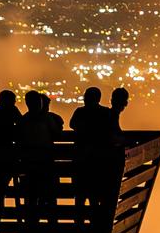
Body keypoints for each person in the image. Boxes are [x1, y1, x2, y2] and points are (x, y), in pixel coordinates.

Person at [67, 87, 116, 219]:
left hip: (81, 161)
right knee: (94, 196)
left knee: (80, 197)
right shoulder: (105, 113)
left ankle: (79, 223)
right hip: (98, 163)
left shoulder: (80, 112)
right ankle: (95, 223)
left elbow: (72, 125)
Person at [19, 90, 63, 220]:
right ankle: (51, 225)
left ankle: (32, 226)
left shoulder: (23, 120)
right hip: (45, 164)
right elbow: (57, 133)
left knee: (31, 198)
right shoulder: (47, 119)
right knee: (50, 196)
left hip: (28, 165)